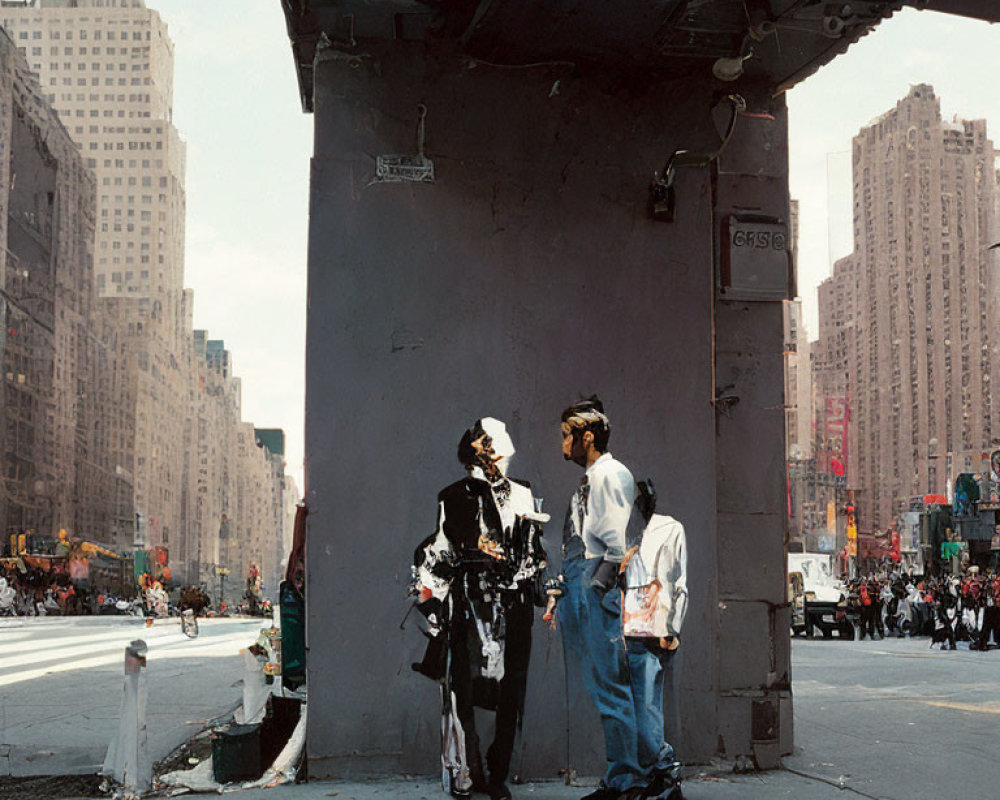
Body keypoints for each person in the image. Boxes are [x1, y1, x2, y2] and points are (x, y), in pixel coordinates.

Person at [411, 418, 549, 800]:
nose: (509, 453)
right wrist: (431, 598)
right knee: (464, 686)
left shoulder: (523, 494)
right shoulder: (452, 497)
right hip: (469, 600)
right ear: (482, 449)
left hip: (515, 601)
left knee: (511, 689)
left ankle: (497, 772)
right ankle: (471, 771)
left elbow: (536, 551)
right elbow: (440, 550)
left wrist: (532, 576)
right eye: (498, 444)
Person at [555, 396, 642, 800]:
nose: (562, 445)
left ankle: (627, 780)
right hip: (584, 577)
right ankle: (622, 777)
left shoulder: (608, 475)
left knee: (611, 685)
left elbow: (617, 542)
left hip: (596, 579)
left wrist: (596, 585)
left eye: (566, 436)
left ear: (586, 436)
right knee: (604, 685)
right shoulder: (594, 475)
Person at [623, 480, 687, 800]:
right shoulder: (623, 535)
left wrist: (673, 628)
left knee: (646, 706)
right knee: (639, 709)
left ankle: (663, 763)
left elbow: (679, 582)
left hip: (655, 631)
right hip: (629, 630)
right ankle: (655, 774)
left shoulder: (670, 529)